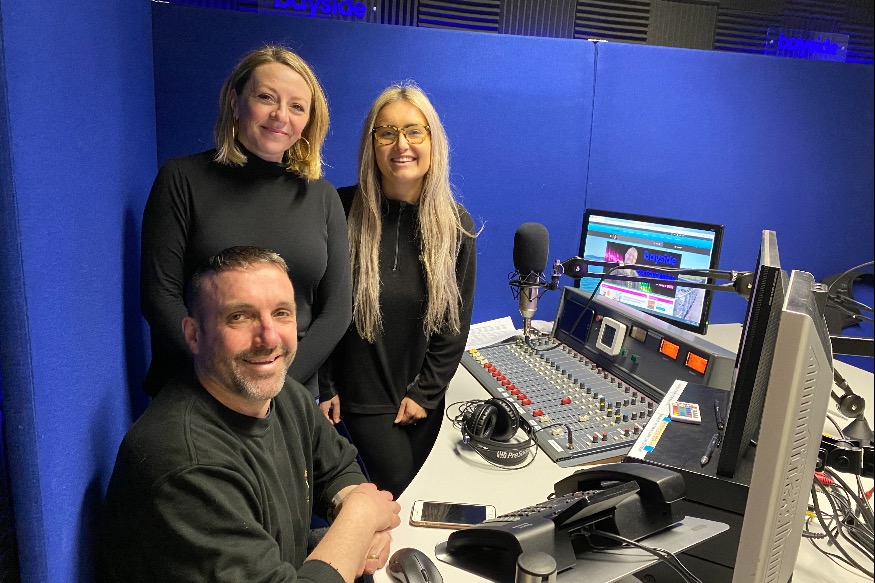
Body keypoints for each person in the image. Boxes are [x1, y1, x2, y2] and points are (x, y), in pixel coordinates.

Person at [100, 246, 400, 582]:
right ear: (194, 335)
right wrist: (360, 517)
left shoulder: (285, 396)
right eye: (239, 317)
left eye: (282, 313)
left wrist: (354, 516)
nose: (268, 338)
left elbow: (337, 467)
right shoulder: (186, 465)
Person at [140, 45, 350, 398]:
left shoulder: (323, 197)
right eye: (266, 97)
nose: (280, 115)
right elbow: (160, 297)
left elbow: (336, 312)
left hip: (289, 393)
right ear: (235, 103)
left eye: (297, 106)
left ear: (309, 121)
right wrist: (226, 384)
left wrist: (276, 388)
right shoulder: (182, 179)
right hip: (197, 391)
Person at [318, 83, 477, 498]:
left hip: (423, 399)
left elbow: (454, 323)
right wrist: (325, 384)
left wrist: (426, 392)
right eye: (386, 133)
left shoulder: (454, 224)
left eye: (413, 131)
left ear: (432, 140)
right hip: (362, 398)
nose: (401, 144)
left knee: (422, 496)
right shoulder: (340, 209)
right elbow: (321, 305)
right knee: (403, 496)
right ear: (371, 145)